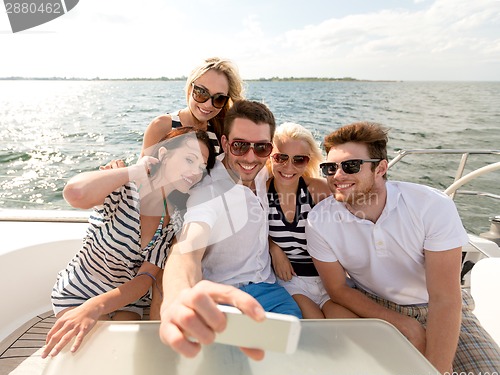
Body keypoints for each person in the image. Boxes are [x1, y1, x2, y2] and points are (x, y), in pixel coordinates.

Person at [305, 121, 500, 375]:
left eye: (350, 166)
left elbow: (445, 297)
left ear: (381, 168)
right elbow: (338, 290)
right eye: (330, 168)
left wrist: (434, 374)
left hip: (441, 307)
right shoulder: (320, 221)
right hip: (375, 305)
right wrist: (401, 322)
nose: (337, 176)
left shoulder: (431, 207)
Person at [42, 128, 216, 358]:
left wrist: (97, 307)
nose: (195, 172)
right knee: (94, 350)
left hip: (125, 299)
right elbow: (75, 193)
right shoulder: (124, 188)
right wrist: (134, 170)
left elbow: (144, 279)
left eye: (201, 167)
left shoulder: (174, 220)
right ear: (163, 154)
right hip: (81, 290)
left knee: (123, 354)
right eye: (189, 159)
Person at [159, 100, 302, 359]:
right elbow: (186, 249)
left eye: (261, 147)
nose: (250, 156)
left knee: (295, 351)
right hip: (224, 295)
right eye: (239, 145)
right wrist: (176, 296)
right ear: (225, 144)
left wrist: (272, 245)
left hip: (270, 288)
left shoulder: (259, 172)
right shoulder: (208, 193)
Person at [267, 122, 357, 319]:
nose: (288, 167)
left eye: (298, 160)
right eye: (281, 157)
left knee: (346, 326)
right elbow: (250, 230)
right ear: (270, 157)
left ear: (308, 162)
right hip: (292, 282)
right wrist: (273, 246)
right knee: (317, 326)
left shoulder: (319, 191)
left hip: (329, 279)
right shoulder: (262, 193)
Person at [141, 57, 244, 157]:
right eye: (201, 92)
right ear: (190, 89)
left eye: (219, 99)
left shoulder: (219, 132)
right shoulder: (162, 126)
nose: (208, 104)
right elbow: (142, 172)